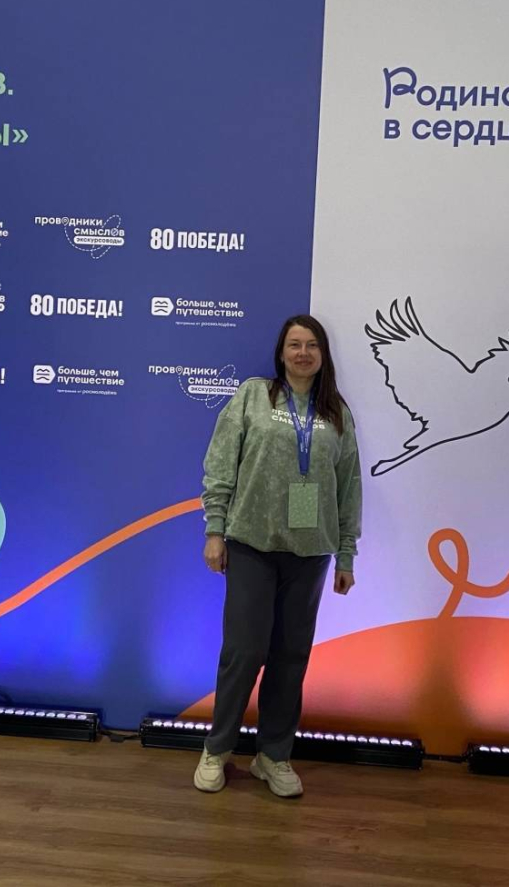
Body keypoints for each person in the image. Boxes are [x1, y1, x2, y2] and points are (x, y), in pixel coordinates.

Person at [194, 314, 362, 798]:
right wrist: (215, 530)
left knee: (290, 657)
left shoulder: (336, 413)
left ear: (323, 354)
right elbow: (221, 464)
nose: (303, 353)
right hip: (252, 543)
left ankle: (273, 756)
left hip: (310, 554)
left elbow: (349, 485)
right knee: (244, 651)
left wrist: (346, 554)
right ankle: (217, 749)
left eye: (312, 345)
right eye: (294, 344)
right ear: (281, 353)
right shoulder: (253, 395)